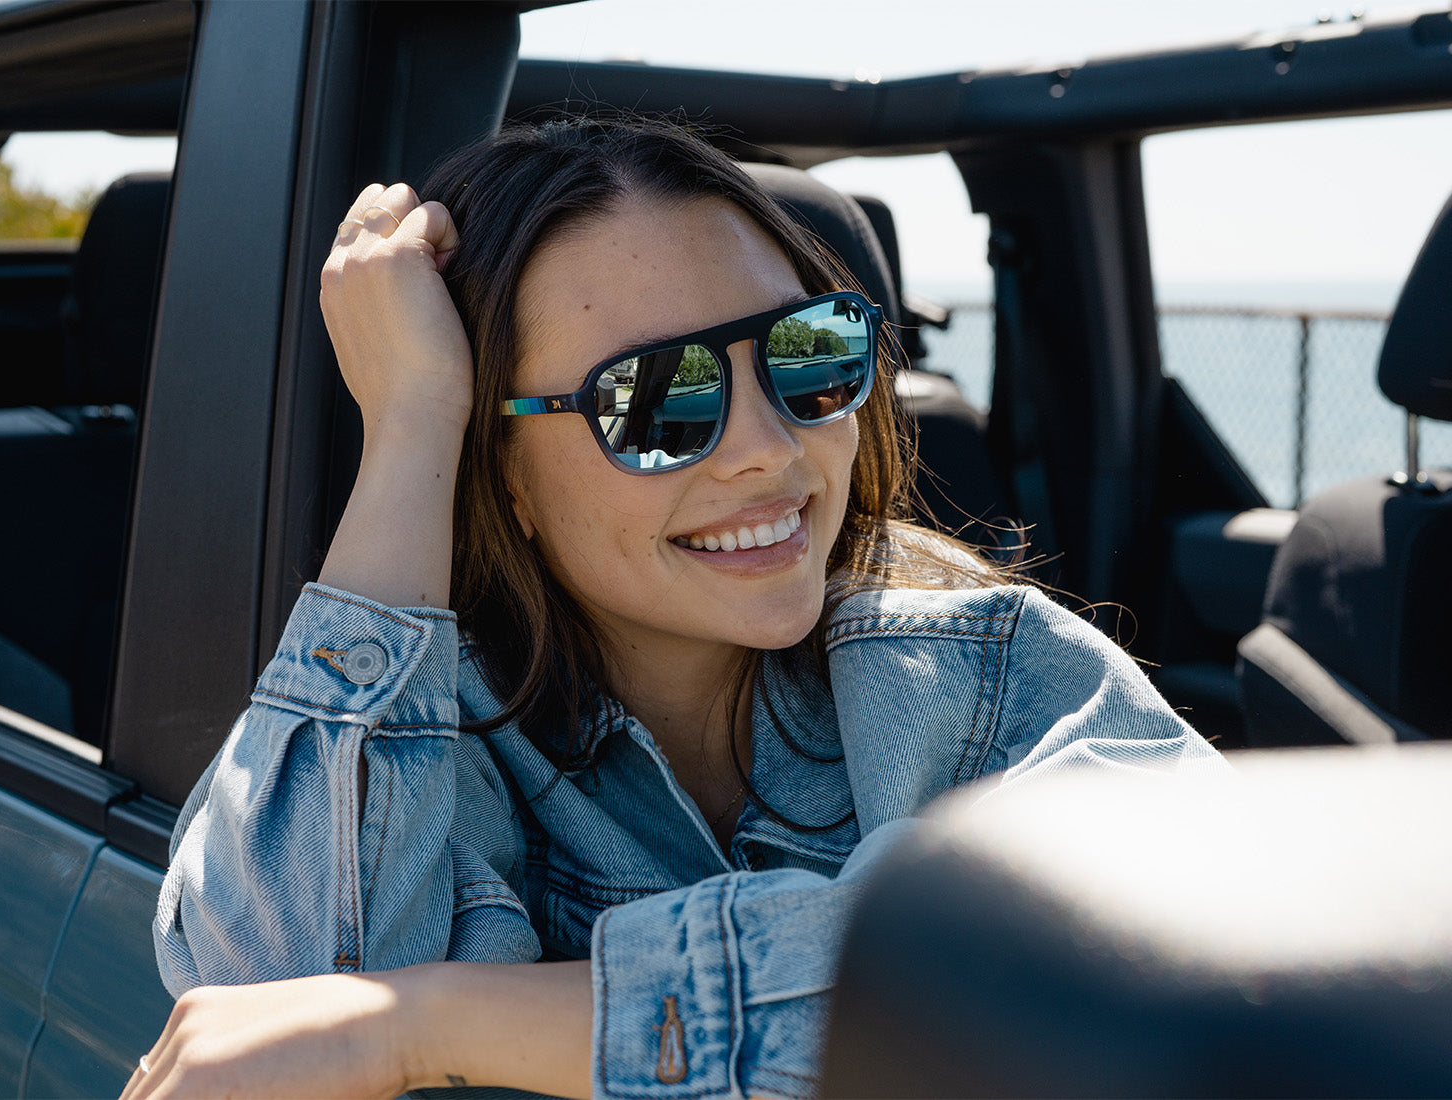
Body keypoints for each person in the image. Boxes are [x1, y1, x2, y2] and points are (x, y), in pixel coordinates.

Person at [125, 116, 1222, 1099]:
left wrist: (430, 1022)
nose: (766, 449)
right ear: (503, 472)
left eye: (808, 357)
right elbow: (272, 1021)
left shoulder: (984, 673)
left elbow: (1147, 969)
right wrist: (413, 420)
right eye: (656, 399)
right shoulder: (427, 746)